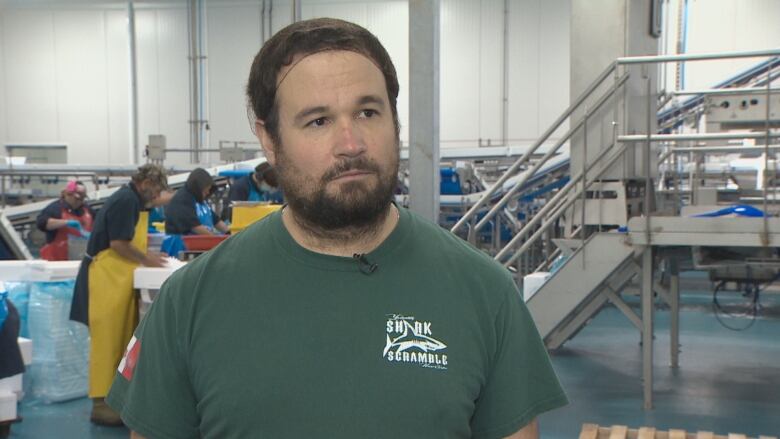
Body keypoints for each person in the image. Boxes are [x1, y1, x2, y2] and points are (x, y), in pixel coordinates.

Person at [107, 18, 567, 439]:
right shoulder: (189, 302)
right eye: (318, 120)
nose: (351, 144)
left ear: (395, 120)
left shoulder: (485, 293)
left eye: (368, 112)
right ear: (269, 139)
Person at [70, 164, 169, 427]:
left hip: (114, 280)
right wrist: (148, 260)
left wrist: (148, 258)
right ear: (146, 181)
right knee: (107, 344)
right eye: (157, 188)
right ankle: (101, 406)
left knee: (119, 343)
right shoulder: (126, 200)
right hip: (104, 278)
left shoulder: (130, 199)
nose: (157, 194)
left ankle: (113, 400)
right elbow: (118, 244)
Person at [35, 180, 95, 260]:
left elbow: (99, 226)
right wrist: (66, 223)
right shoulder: (55, 208)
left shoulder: (88, 211)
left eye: (82, 198)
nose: (79, 201)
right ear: (67, 194)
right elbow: (41, 223)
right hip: (57, 262)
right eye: (76, 198)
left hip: (80, 259)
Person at [164, 168, 229, 235]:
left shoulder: (200, 201)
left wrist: (228, 233)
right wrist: (214, 239)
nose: (208, 192)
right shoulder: (183, 199)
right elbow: (194, 226)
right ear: (199, 187)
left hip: (202, 242)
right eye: (206, 189)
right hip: (182, 243)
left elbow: (215, 220)